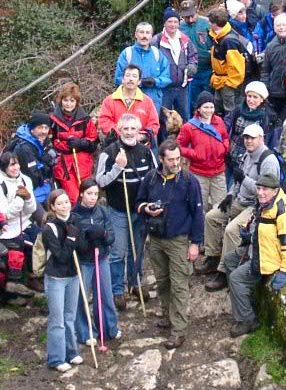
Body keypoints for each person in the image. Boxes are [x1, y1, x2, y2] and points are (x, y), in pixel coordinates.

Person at [136, 139, 204, 350]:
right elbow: (138, 203)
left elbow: (198, 213)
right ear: (161, 159)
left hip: (178, 240)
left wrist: (195, 243)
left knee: (179, 284)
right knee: (162, 281)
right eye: (171, 159)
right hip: (156, 239)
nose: (176, 163)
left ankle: (178, 330)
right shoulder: (150, 178)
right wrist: (146, 209)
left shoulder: (189, 181)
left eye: (178, 159)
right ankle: (166, 314)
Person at [200, 123, 281, 292]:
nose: (248, 141)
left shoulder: (268, 161)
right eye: (246, 137)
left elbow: (266, 192)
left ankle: (225, 272)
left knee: (231, 230)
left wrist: (244, 179)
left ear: (261, 138)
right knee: (211, 217)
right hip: (240, 198)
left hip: (256, 205)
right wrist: (230, 194)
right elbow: (238, 179)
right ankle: (213, 256)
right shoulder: (247, 155)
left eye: (252, 138)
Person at [220, 171, 286, 337]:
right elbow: (263, 230)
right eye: (259, 188)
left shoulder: (283, 212)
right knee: (229, 260)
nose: (261, 193)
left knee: (236, 278)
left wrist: (285, 270)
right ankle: (243, 300)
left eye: (265, 189)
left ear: (275, 190)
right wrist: (248, 236)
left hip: (267, 258)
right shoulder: (265, 204)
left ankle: (248, 320)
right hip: (257, 248)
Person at [94, 114, 158, 310]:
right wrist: (117, 167)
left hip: (139, 210)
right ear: (119, 130)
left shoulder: (146, 152)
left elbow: (155, 178)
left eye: (133, 129)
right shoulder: (109, 152)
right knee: (118, 252)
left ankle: (135, 283)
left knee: (137, 250)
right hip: (118, 210)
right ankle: (117, 290)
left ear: (139, 130)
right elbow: (100, 182)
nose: (129, 133)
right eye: (126, 129)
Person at [72, 179, 120, 347]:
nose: (93, 197)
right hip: (84, 261)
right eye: (89, 194)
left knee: (106, 294)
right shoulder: (75, 215)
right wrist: (86, 238)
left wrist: (103, 234)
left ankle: (110, 328)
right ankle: (86, 332)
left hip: (102, 258)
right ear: (81, 194)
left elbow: (111, 236)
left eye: (95, 194)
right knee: (82, 297)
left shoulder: (102, 211)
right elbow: (75, 242)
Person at [42, 189, 84, 372]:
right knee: (57, 319)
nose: (64, 206)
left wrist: (80, 236)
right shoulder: (49, 229)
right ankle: (56, 358)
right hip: (56, 278)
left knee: (69, 317)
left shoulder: (75, 221)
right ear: (53, 207)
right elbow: (60, 256)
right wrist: (71, 238)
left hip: (73, 275)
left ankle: (71, 352)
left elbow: (82, 246)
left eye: (66, 202)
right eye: (59, 203)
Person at [0, 152, 42, 301]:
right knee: (21, 244)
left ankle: (33, 277)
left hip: (24, 222)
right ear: (3, 167)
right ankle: (13, 284)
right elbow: (4, 213)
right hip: (6, 228)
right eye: (11, 165)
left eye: (17, 163)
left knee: (40, 238)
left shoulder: (25, 179)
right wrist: (20, 199)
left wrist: (28, 198)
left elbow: (31, 209)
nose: (16, 168)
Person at [178, 92, 230, 211]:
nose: (209, 111)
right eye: (206, 107)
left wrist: (224, 148)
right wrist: (195, 154)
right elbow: (178, 147)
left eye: (211, 107)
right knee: (200, 208)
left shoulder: (219, 121)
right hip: (198, 173)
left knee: (221, 208)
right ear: (199, 108)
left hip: (218, 172)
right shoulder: (189, 127)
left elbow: (225, 137)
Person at [49, 83, 98, 205]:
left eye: (72, 101)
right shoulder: (53, 120)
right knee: (73, 198)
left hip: (83, 164)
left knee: (87, 196)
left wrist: (81, 143)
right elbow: (51, 141)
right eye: (66, 100)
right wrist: (66, 146)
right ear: (61, 101)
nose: (68, 104)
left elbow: (93, 142)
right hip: (65, 166)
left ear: (77, 102)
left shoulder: (85, 119)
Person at [153, 7, 198, 125]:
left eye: (175, 22)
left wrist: (192, 66)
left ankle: (183, 137)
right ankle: (163, 137)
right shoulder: (157, 40)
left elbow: (193, 56)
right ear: (164, 23)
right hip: (164, 88)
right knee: (162, 119)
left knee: (184, 117)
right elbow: (152, 61)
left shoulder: (184, 39)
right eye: (170, 21)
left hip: (182, 86)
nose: (173, 25)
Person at [224, 81, 280, 171]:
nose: (251, 100)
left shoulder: (267, 117)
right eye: (249, 96)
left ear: (262, 99)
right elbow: (226, 127)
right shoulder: (238, 110)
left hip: (250, 161)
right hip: (231, 155)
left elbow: (269, 141)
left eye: (255, 97)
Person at [114, 23, 171, 110]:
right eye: (141, 32)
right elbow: (118, 79)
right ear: (136, 34)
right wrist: (137, 82)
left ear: (151, 36)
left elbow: (167, 77)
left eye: (147, 33)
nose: (144, 36)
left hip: (153, 103)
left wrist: (155, 81)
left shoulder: (157, 54)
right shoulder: (127, 54)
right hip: (131, 102)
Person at [97, 64, 161, 142]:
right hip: (115, 143)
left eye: (134, 76)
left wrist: (141, 136)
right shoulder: (109, 100)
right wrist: (122, 134)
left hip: (139, 144)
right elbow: (104, 121)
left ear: (139, 81)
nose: (130, 79)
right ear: (122, 79)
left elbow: (154, 125)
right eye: (127, 75)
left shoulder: (147, 102)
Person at [5, 116, 56, 208]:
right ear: (32, 129)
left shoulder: (36, 140)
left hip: (35, 186)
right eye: (40, 127)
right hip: (29, 191)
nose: (44, 131)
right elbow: (34, 178)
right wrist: (46, 164)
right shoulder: (25, 148)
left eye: (46, 128)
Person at [208, 7, 249, 114]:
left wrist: (229, 85)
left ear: (215, 24)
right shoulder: (218, 36)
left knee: (230, 113)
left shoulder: (229, 41)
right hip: (219, 81)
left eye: (210, 22)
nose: (208, 24)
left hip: (229, 85)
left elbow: (236, 68)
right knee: (218, 111)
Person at [178, 0, 213, 119]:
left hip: (208, 70)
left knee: (208, 101)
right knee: (193, 102)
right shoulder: (179, 27)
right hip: (191, 72)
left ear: (196, 10)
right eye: (186, 17)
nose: (190, 19)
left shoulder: (206, 24)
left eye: (192, 16)